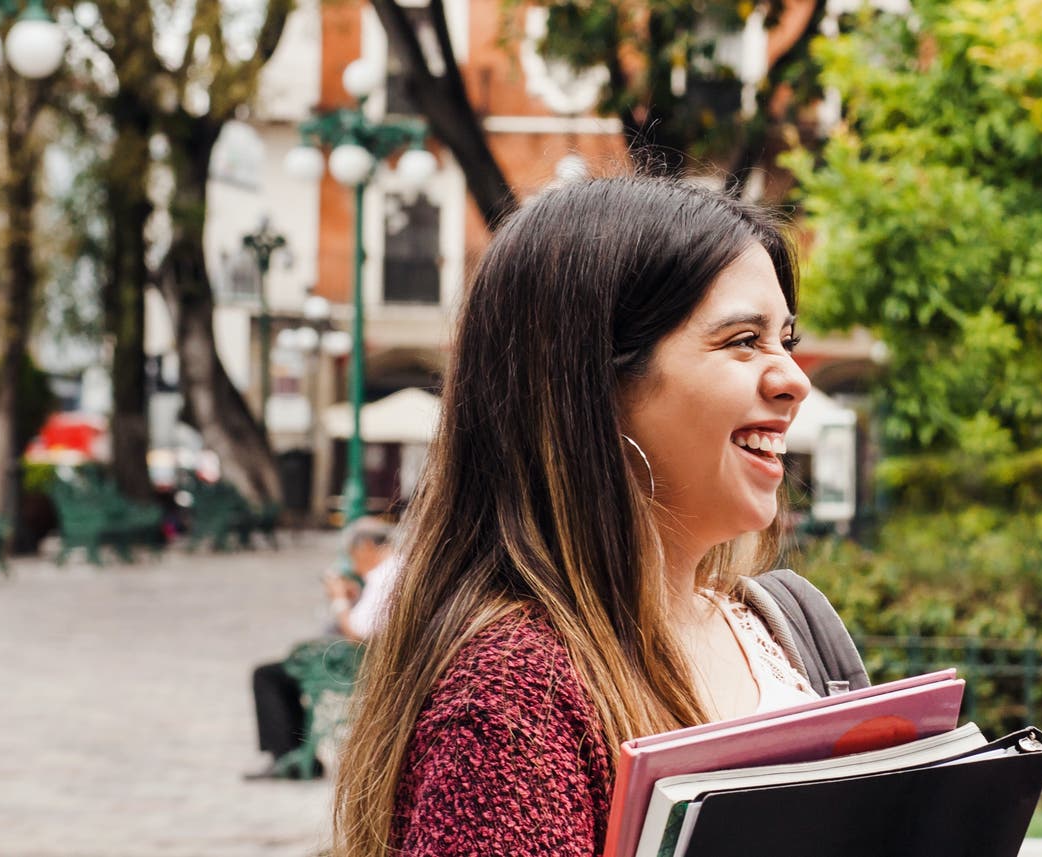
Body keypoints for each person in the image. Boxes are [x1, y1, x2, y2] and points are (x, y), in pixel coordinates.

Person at [331, 176, 867, 857]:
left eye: (784, 338)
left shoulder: (772, 623)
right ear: (596, 387)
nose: (793, 377)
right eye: (742, 340)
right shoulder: (512, 696)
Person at [246, 517, 393, 781]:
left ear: (368, 546)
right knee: (281, 675)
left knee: (267, 675)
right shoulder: (397, 570)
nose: (353, 563)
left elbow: (358, 632)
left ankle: (285, 755)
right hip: (363, 659)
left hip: (354, 665)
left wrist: (338, 600)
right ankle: (296, 754)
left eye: (353, 554)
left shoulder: (384, 575)